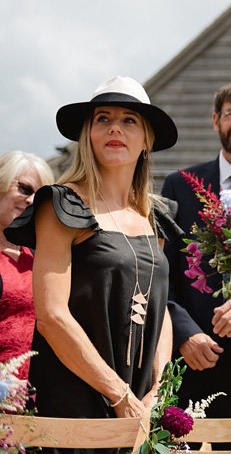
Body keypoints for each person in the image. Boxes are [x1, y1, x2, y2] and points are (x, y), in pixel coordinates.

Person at [4, 76, 179, 454]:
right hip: (76, 399)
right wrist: (119, 395)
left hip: (141, 406)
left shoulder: (157, 216)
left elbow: (158, 308)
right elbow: (51, 316)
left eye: (129, 120)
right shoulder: (61, 205)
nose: (115, 127)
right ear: (89, 134)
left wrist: (158, 390)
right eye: (103, 118)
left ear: (147, 139)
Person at [161, 78, 231, 446]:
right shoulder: (179, 185)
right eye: (230, 114)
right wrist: (184, 333)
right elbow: (163, 271)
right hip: (197, 357)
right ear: (215, 120)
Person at [0, 150, 55, 380]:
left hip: (40, 398)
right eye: (24, 188)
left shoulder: (44, 254)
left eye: (40, 195)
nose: (32, 200)